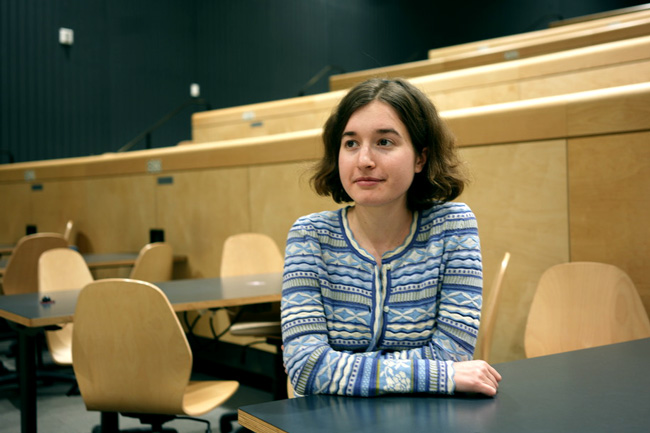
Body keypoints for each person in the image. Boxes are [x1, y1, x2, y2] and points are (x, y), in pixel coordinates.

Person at [281, 78, 501, 397]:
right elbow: (307, 368)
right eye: (351, 143)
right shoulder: (310, 236)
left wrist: (343, 370)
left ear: (420, 158)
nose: (364, 160)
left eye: (384, 142)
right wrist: (438, 376)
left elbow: (452, 355)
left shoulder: (452, 226)